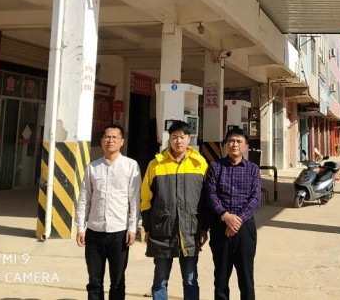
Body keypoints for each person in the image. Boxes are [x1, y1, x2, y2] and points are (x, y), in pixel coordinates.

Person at [140, 120, 209, 300]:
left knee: (190, 279)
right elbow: (145, 199)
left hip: (190, 231)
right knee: (160, 280)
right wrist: (147, 228)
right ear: (169, 139)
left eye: (182, 137)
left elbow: (206, 200)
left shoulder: (200, 163)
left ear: (189, 139)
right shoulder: (156, 165)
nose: (178, 141)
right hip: (162, 230)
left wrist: (204, 228)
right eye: (174, 137)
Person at [75, 124, 142, 300]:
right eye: (107, 137)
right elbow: (84, 199)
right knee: (94, 282)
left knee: (117, 281)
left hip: (119, 233)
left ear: (122, 141)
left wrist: (132, 228)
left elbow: (134, 201)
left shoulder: (131, 166)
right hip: (94, 232)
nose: (110, 140)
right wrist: (81, 228)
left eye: (114, 137)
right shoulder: (92, 167)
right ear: (102, 141)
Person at [203, 127, 261, 300]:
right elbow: (210, 194)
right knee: (221, 278)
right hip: (220, 227)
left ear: (246, 146)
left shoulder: (253, 169)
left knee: (246, 278)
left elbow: (255, 198)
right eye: (231, 141)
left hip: (245, 229)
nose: (234, 144)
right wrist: (225, 216)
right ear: (225, 145)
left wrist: (237, 221)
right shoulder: (215, 167)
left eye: (238, 141)